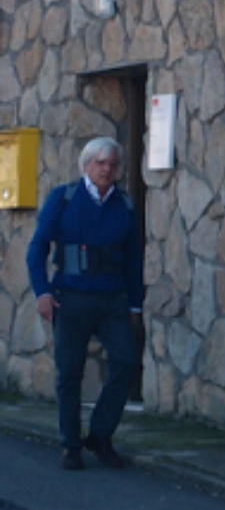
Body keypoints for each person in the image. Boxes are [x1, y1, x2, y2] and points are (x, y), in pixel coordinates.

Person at [26, 137, 143, 471]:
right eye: (100, 163)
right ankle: (70, 445)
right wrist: (42, 292)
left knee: (125, 362)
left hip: (112, 299)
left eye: (113, 164)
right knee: (70, 373)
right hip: (71, 299)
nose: (107, 169)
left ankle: (101, 435)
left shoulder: (124, 205)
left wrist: (135, 305)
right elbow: (38, 249)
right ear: (86, 166)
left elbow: (134, 258)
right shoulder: (63, 199)